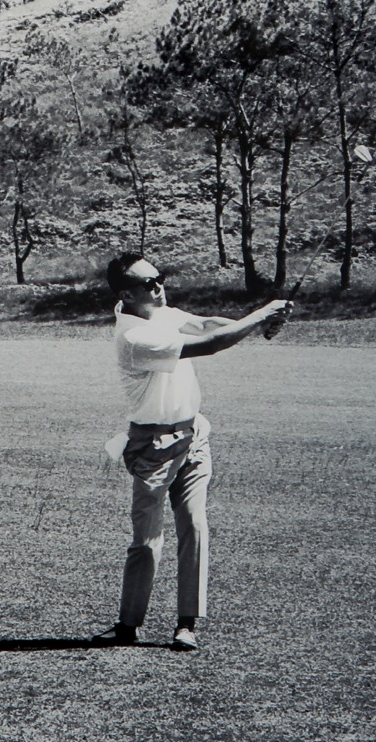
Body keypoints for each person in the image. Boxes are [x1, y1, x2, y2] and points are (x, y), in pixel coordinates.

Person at [91, 253, 291, 651]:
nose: (159, 286)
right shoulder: (134, 337)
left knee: (194, 527)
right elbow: (210, 344)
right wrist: (262, 312)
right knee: (147, 541)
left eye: (159, 277)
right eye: (149, 283)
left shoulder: (158, 311)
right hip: (152, 446)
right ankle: (128, 625)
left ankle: (187, 625)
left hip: (194, 434)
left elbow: (205, 324)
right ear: (127, 294)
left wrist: (258, 324)